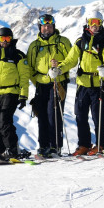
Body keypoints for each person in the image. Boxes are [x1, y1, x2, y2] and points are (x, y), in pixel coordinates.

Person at [60, 11, 104, 156]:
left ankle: (101, 145)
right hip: (83, 84)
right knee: (80, 115)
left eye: (97, 22)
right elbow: (71, 60)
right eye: (92, 22)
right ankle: (84, 144)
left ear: (101, 24)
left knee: (99, 117)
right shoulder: (80, 41)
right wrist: (59, 69)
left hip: (98, 85)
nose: (94, 25)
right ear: (87, 22)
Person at [27, 13, 72, 157]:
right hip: (41, 85)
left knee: (54, 115)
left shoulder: (63, 42)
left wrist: (59, 68)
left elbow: (71, 60)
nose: (47, 29)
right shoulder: (34, 46)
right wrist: (39, 81)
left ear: (54, 27)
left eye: (50, 26)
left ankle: (55, 146)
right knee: (42, 116)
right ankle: (43, 146)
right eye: (44, 26)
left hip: (57, 83)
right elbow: (30, 68)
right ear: (40, 27)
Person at [0, 27, 32, 161]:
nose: (4, 41)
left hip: (11, 92)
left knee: (5, 120)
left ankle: (12, 150)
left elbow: (24, 76)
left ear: (11, 39)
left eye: (7, 38)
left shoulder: (18, 55)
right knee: (1, 123)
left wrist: (23, 95)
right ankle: (1, 151)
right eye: (2, 38)